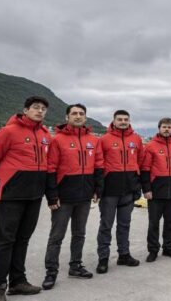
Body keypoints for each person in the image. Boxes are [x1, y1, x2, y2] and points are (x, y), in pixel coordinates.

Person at [0, 96, 51, 301]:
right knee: (5, 240)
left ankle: (18, 282)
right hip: (10, 195)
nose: (40, 111)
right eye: (36, 108)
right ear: (26, 110)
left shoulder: (46, 135)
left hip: (34, 195)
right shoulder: (9, 131)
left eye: (43, 109)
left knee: (23, 239)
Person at [42, 103, 103, 290]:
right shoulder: (57, 140)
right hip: (63, 197)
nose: (78, 116)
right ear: (67, 117)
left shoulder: (93, 139)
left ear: (85, 117)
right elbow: (50, 169)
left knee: (79, 233)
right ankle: (51, 272)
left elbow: (99, 166)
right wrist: (52, 196)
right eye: (74, 113)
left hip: (84, 196)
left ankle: (75, 266)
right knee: (56, 236)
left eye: (81, 114)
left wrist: (97, 190)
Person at [95, 110, 144, 273]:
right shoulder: (104, 139)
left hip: (128, 190)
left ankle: (124, 254)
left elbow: (140, 162)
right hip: (110, 190)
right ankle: (103, 258)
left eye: (126, 119)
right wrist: (98, 189)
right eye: (120, 119)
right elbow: (99, 165)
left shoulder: (136, 139)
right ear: (113, 121)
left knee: (124, 225)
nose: (123, 121)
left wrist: (138, 187)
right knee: (106, 225)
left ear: (129, 121)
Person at [140, 117, 171, 263]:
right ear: (159, 128)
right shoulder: (151, 146)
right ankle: (153, 250)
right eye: (164, 127)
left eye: (169, 127)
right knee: (154, 223)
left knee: (170, 221)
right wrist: (146, 189)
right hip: (156, 191)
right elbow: (145, 169)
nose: (167, 129)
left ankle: (168, 247)